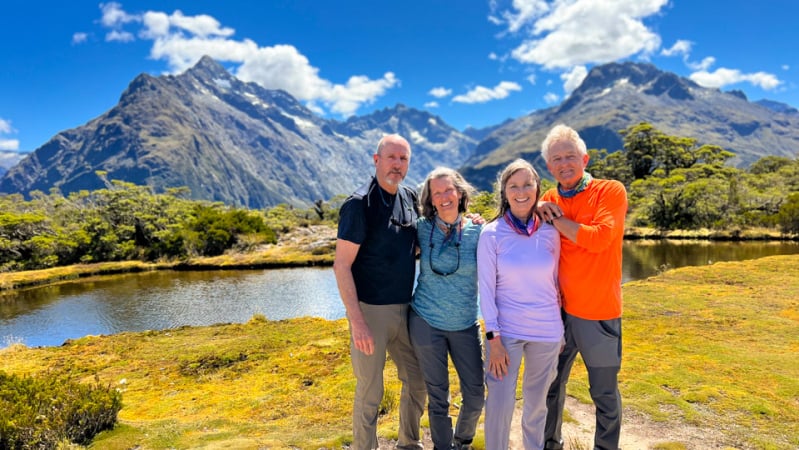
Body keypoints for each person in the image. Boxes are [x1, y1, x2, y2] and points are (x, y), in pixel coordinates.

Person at [333, 133, 426, 450]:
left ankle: (408, 443)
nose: (397, 165)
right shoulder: (359, 205)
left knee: (418, 381)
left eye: (403, 159)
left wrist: (467, 223)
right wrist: (356, 321)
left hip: (406, 309)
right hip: (369, 312)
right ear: (376, 160)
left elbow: (420, 240)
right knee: (370, 390)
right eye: (391, 157)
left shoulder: (410, 197)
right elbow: (341, 265)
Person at [538, 124, 628, 450]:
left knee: (604, 393)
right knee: (549, 385)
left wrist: (555, 219)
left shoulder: (610, 191)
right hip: (557, 315)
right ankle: (550, 444)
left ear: (585, 158)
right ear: (549, 166)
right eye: (557, 158)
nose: (565, 163)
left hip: (599, 314)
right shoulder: (547, 199)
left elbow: (599, 238)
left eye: (570, 156)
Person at [477, 159, 563, 450]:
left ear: (538, 188)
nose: (521, 191)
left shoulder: (551, 232)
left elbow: (554, 285)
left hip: (547, 333)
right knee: (499, 405)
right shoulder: (491, 234)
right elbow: (486, 293)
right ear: (504, 192)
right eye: (514, 186)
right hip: (506, 335)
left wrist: (560, 331)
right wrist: (494, 339)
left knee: (536, 407)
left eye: (528, 184)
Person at [409, 167, 484, 450]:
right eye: (436, 193)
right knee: (438, 398)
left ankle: (462, 442)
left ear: (460, 192)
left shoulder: (479, 231)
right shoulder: (421, 227)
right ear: (430, 199)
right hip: (426, 322)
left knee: (476, 397)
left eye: (448, 190)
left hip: (465, 324)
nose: (443, 197)